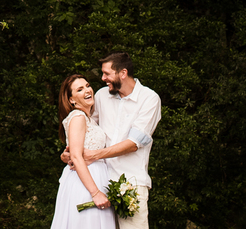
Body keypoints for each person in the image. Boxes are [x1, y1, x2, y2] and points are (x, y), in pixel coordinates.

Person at [62, 53, 162, 229]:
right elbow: (86, 128)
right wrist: (70, 153)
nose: (102, 78)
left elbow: (134, 143)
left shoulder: (149, 99)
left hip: (131, 183)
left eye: (107, 74)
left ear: (122, 73)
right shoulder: (101, 96)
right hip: (100, 181)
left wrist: (95, 155)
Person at [49, 74, 116, 229]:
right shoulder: (78, 116)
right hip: (86, 182)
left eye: (87, 86)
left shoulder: (89, 119)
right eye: (80, 89)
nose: (87, 90)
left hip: (96, 177)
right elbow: (77, 157)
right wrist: (95, 193)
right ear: (71, 100)